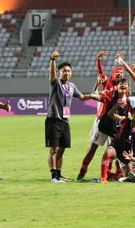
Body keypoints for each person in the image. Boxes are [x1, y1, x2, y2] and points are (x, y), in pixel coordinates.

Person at [46, 51, 98, 183]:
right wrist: (52, 60)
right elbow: (51, 74)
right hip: (53, 119)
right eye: (64, 71)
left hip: (65, 121)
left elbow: (81, 97)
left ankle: (59, 174)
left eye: (69, 71)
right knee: (54, 149)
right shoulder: (55, 83)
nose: (67, 73)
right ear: (59, 73)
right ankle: (53, 176)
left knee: (62, 149)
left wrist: (95, 93)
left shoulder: (71, 86)